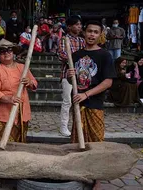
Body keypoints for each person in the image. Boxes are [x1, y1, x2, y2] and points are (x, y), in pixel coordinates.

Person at [67, 21, 116, 190]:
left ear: (100, 34)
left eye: (96, 32)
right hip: (77, 104)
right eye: (89, 31)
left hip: (94, 104)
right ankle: (78, 172)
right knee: (77, 140)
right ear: (84, 33)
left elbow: (108, 82)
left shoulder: (105, 55)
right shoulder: (75, 55)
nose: (92, 35)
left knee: (96, 140)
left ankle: (97, 177)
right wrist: (68, 74)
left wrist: (86, 94)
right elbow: (70, 80)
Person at [0, 39, 38, 142]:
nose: (6, 53)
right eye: (2, 52)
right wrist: (9, 99)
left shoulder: (22, 68)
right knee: (5, 142)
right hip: (5, 113)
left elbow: (34, 82)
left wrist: (29, 82)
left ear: (13, 53)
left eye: (9, 50)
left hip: (22, 111)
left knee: (21, 142)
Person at [58, 16, 85, 137]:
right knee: (67, 101)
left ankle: (78, 125)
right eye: (77, 24)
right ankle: (63, 127)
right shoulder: (64, 39)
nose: (79, 27)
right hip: (67, 74)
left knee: (79, 100)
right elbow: (62, 55)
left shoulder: (82, 41)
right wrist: (76, 59)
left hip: (82, 75)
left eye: (80, 24)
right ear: (69, 27)